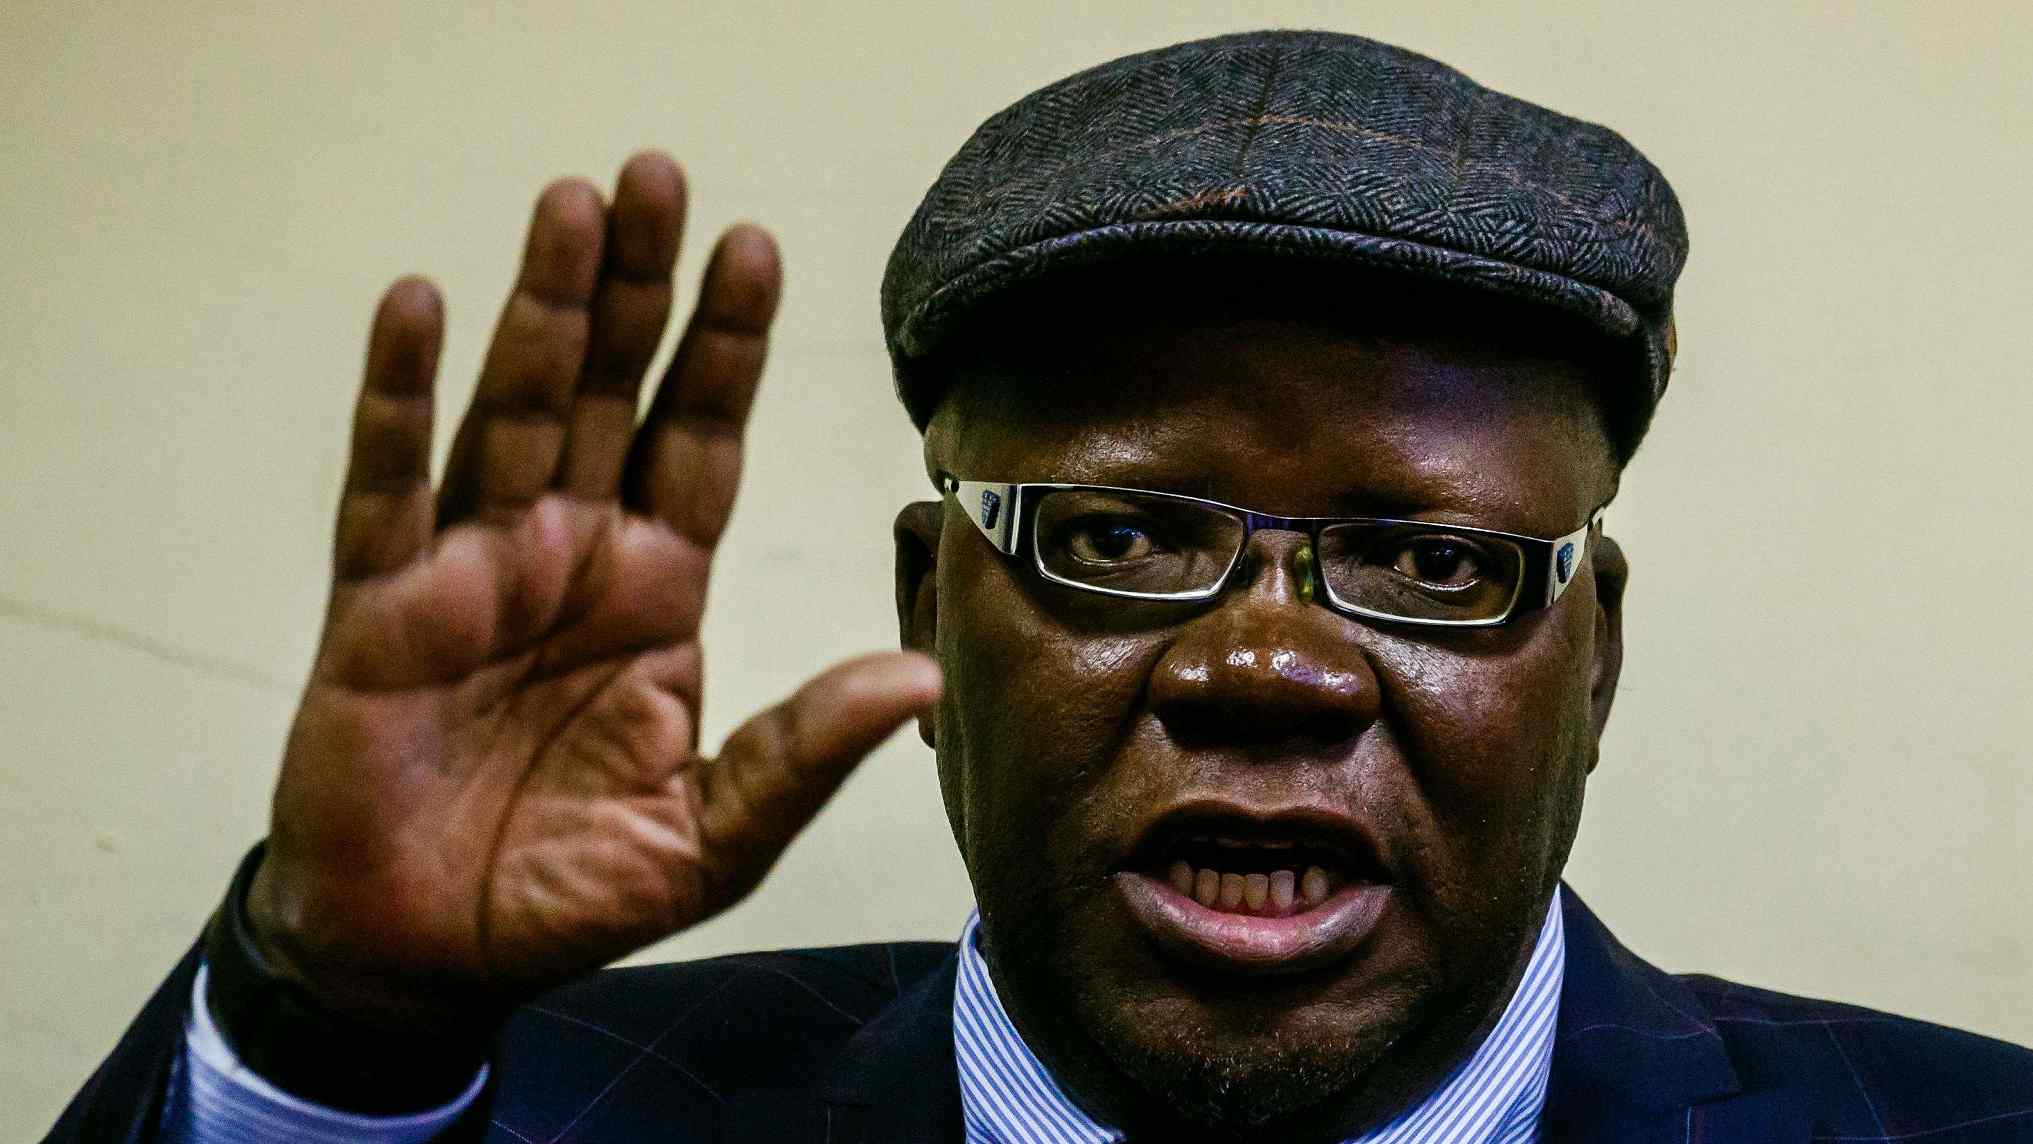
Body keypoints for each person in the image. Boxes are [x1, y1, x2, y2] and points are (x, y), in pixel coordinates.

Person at [48, 28, 2033, 1144]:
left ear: (1590, 665)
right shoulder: (509, 1112)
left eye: (1431, 561)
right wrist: (332, 1023)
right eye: (1119, 538)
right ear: (932, 605)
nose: (1267, 665)